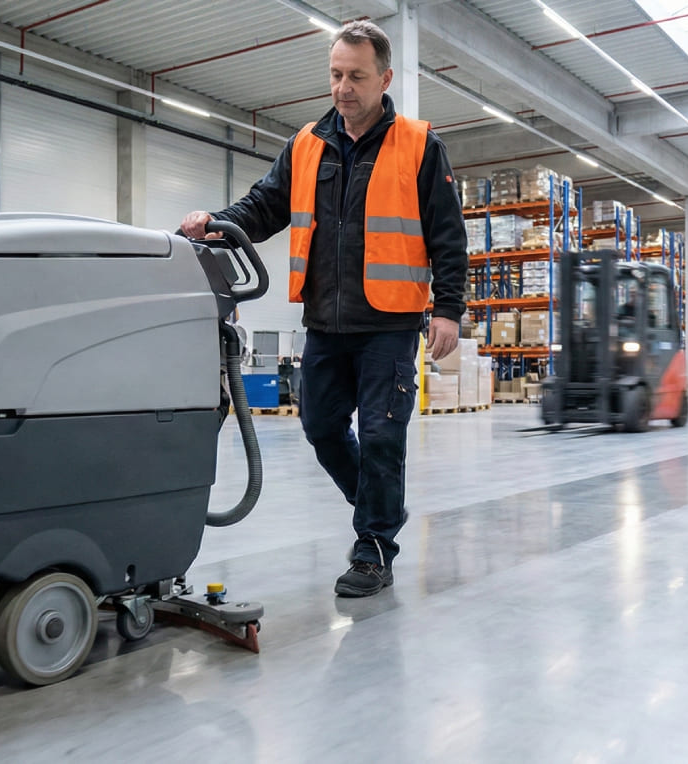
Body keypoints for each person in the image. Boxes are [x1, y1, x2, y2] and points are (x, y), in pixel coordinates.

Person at [182, 20, 467, 598]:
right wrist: (218, 224)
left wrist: (449, 309)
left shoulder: (418, 145)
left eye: (356, 76)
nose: (343, 87)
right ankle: (377, 506)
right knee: (320, 427)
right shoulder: (307, 144)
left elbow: (447, 233)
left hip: (388, 323)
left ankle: (373, 547)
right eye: (336, 75)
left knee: (383, 436)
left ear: (384, 78)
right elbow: (265, 205)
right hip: (325, 321)